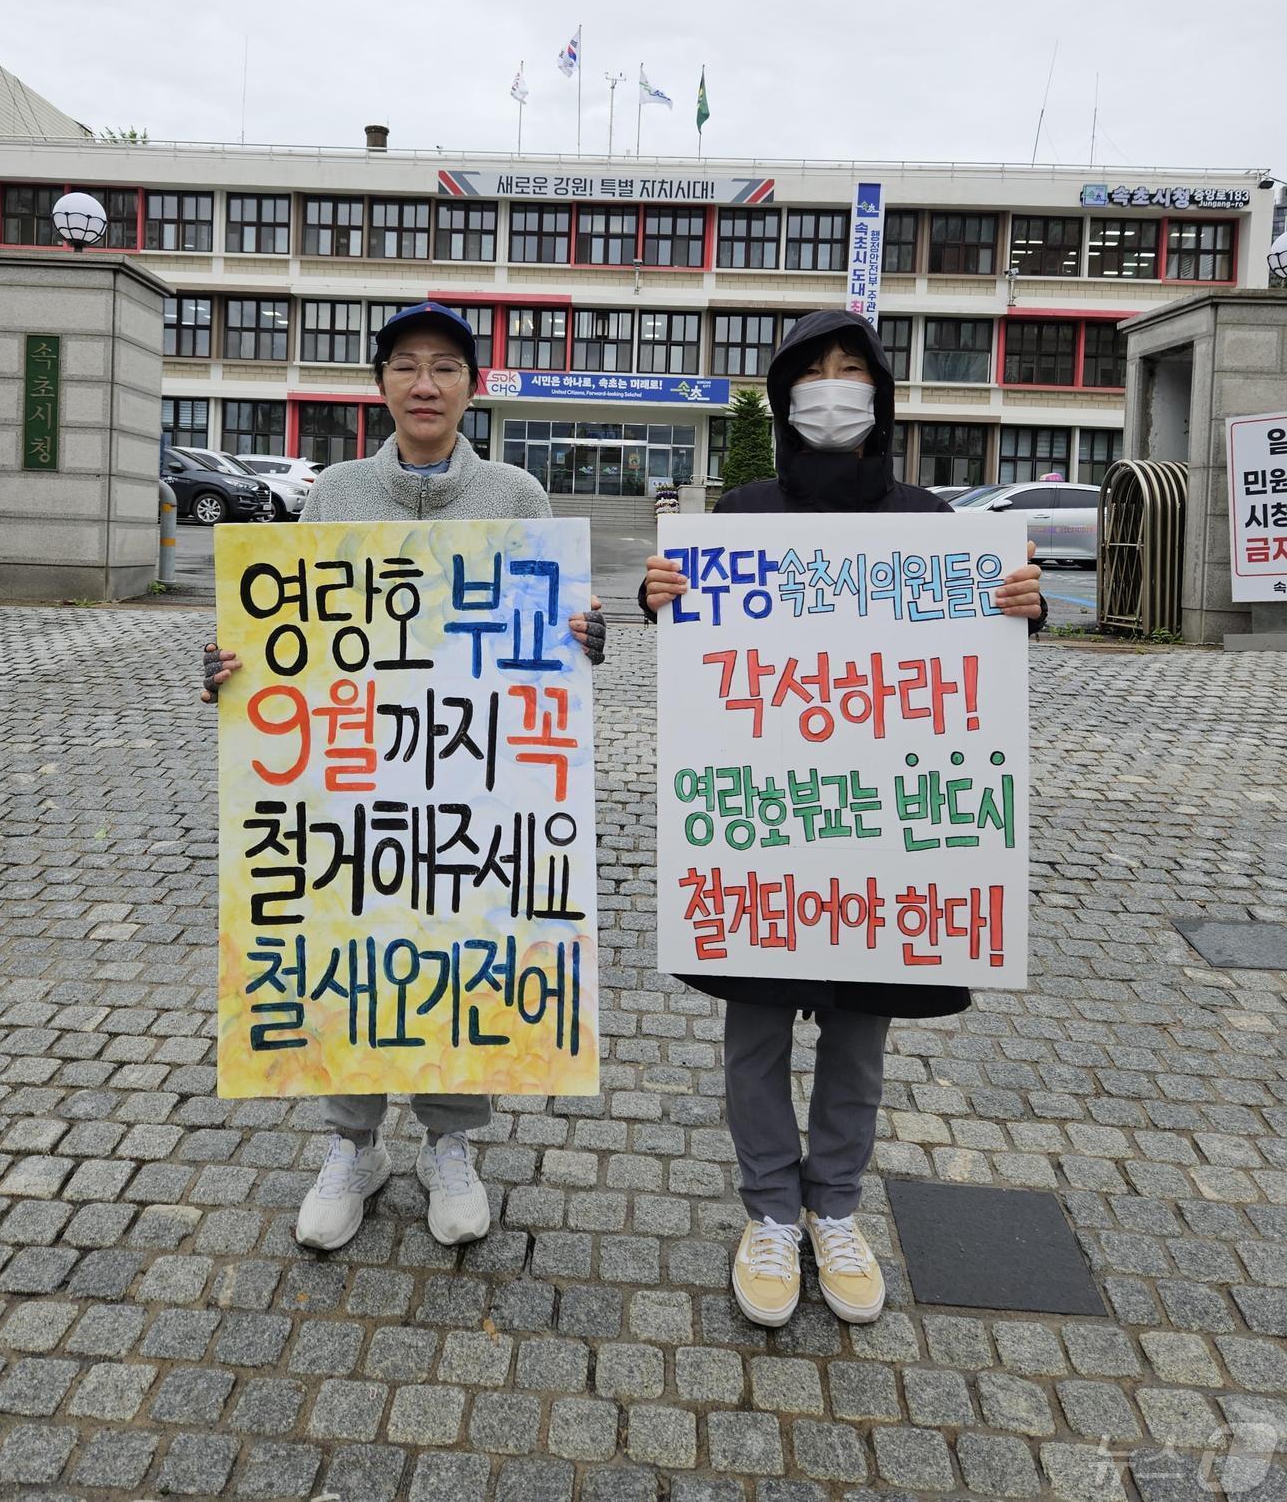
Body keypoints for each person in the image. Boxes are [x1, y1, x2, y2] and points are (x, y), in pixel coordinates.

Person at [641, 308, 1045, 1330]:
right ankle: (769, 1212)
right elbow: (709, 663)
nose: (832, 387)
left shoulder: (931, 525)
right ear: (783, 398)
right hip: (767, 835)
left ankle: (835, 1206)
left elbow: (969, 667)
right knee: (755, 1036)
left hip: (880, 841)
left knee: (859, 1039)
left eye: (850, 370)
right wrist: (664, 598)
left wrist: (1016, 611)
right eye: (812, 372)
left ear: (879, 394)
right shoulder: (737, 515)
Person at [203, 302, 604, 1253]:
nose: (426, 384)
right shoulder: (335, 491)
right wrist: (234, 668)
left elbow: (552, 634)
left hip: (475, 775)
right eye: (407, 366)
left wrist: (585, 639)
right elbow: (290, 632)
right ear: (380, 383)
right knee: (352, 935)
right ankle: (354, 1143)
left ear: (473, 384)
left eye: (446, 367)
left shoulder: (516, 494)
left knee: (461, 941)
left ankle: (451, 1143)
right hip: (352, 775)